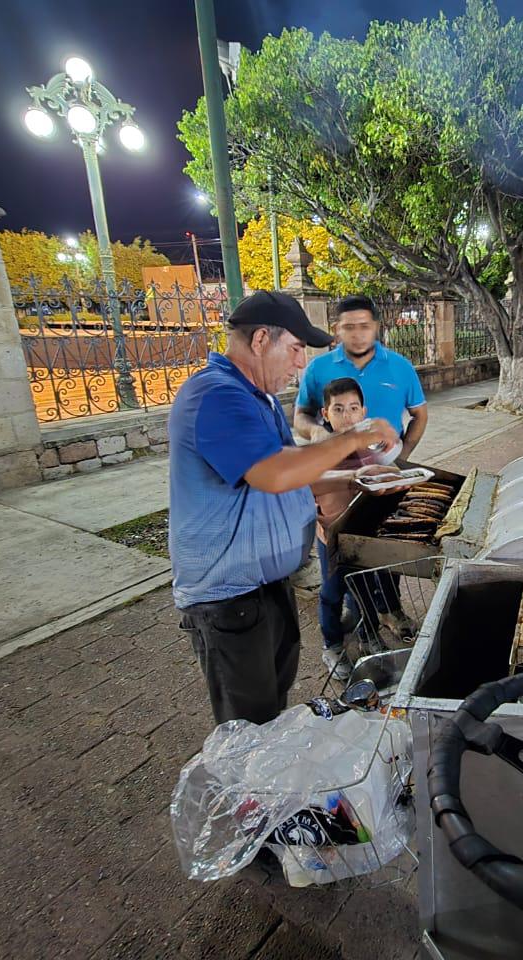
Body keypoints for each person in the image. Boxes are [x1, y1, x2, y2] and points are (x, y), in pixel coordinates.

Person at [168, 291, 398, 726]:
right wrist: (353, 438)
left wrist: (354, 478)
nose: (299, 365)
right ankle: (244, 793)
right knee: (248, 725)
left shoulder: (261, 399)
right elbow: (271, 473)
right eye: (294, 350)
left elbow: (292, 473)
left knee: (271, 704)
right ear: (260, 340)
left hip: (267, 586)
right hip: (229, 595)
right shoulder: (215, 395)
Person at [312, 378, 397, 680]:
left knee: (363, 587)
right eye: (338, 409)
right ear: (326, 414)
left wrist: (393, 474)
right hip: (333, 539)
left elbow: (388, 475)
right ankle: (332, 644)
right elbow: (307, 487)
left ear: (364, 412)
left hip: (365, 537)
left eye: (353, 408)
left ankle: (369, 635)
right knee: (333, 593)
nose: (347, 416)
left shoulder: (370, 449)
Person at [294, 295, 428, 460]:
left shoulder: (401, 367)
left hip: (388, 463)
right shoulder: (317, 368)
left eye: (364, 326)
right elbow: (301, 416)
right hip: (334, 466)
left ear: (376, 327)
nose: (357, 335)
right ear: (337, 329)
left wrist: (402, 455)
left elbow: (420, 414)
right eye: (349, 327)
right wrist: (315, 431)